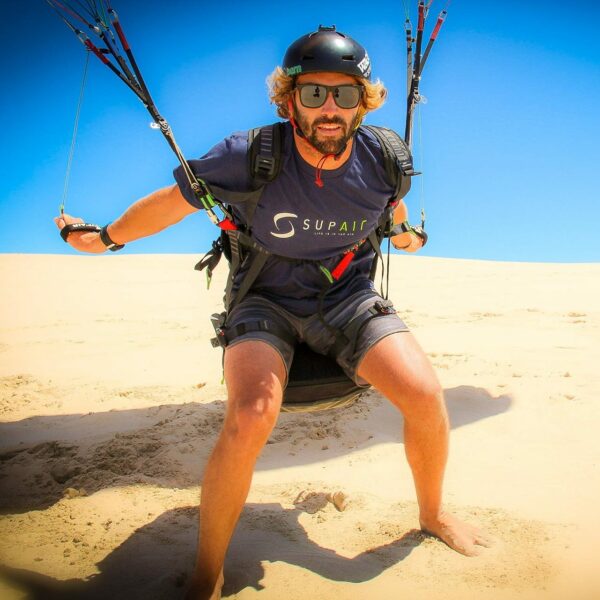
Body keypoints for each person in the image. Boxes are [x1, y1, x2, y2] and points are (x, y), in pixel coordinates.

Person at [56, 25, 491, 600]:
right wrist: (105, 239)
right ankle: (204, 578)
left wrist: (409, 238)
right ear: (289, 100)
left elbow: (392, 207)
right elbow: (171, 204)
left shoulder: (384, 156)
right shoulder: (249, 155)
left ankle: (433, 515)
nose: (329, 108)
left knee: (425, 397)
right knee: (251, 416)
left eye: (345, 94)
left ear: (366, 101)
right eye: (314, 94)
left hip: (347, 299)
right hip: (265, 302)